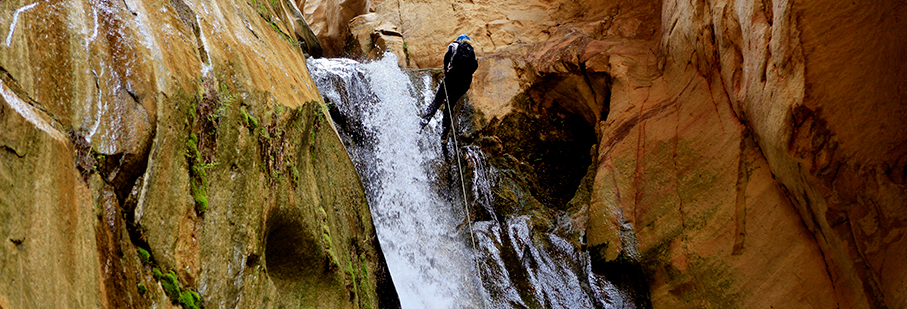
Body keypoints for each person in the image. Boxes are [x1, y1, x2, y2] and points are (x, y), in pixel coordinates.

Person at [420, 34, 478, 144]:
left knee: (437, 102)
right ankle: (444, 135)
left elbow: (447, 56)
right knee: (449, 105)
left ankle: (420, 125)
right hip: (464, 83)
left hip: (451, 77)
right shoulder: (472, 52)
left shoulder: (455, 45)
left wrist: (446, 68)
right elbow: (474, 67)